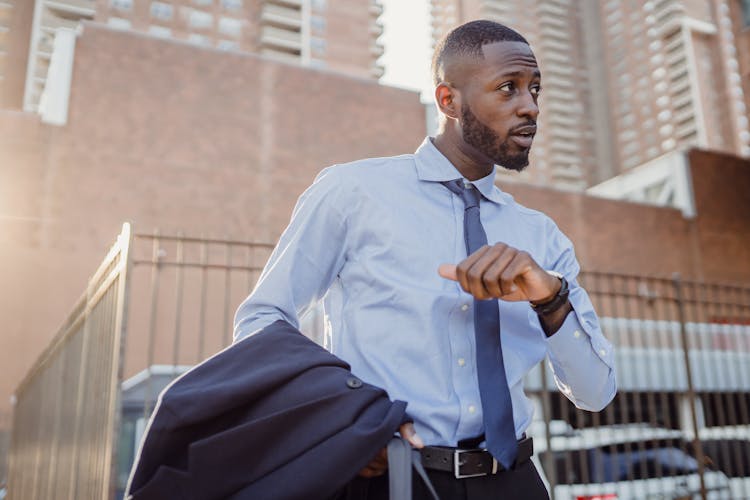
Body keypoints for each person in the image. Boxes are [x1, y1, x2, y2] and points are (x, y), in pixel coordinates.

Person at [233, 19, 616, 500]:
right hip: (389, 477)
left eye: (535, 89)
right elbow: (262, 320)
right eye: (508, 89)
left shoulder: (541, 237)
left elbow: (596, 394)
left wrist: (551, 300)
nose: (530, 107)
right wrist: (338, 420)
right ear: (448, 101)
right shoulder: (352, 193)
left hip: (515, 481)